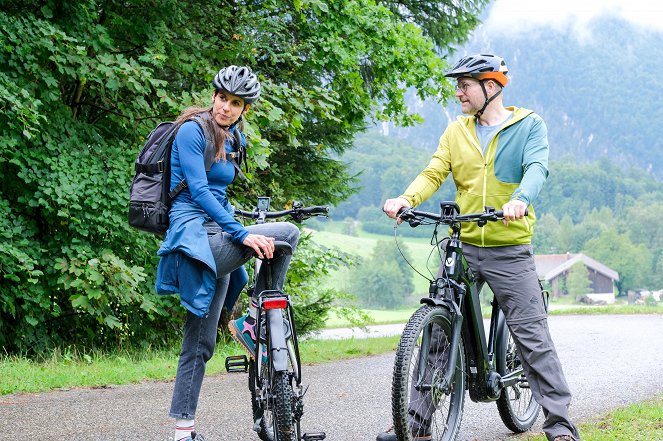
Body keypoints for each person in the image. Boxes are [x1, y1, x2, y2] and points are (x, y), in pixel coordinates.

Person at [379, 54, 580, 441]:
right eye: (458, 85)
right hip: (465, 243)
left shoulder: (528, 126)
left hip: (509, 246)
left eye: (465, 85)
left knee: (532, 337)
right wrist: (407, 198)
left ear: (491, 87)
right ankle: (416, 422)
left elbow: (537, 168)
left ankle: (560, 425)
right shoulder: (457, 131)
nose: (458, 92)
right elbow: (435, 171)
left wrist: (520, 199)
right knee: (436, 330)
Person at [155, 65, 300, 441]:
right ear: (214, 96)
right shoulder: (192, 131)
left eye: (236, 103)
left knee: (200, 342)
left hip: (215, 235)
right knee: (286, 233)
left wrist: (237, 224)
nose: (226, 108)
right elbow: (200, 193)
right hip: (195, 239)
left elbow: (218, 196)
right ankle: (254, 321)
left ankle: (183, 432)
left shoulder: (233, 137)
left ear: (244, 109)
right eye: (222, 98)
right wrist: (243, 234)